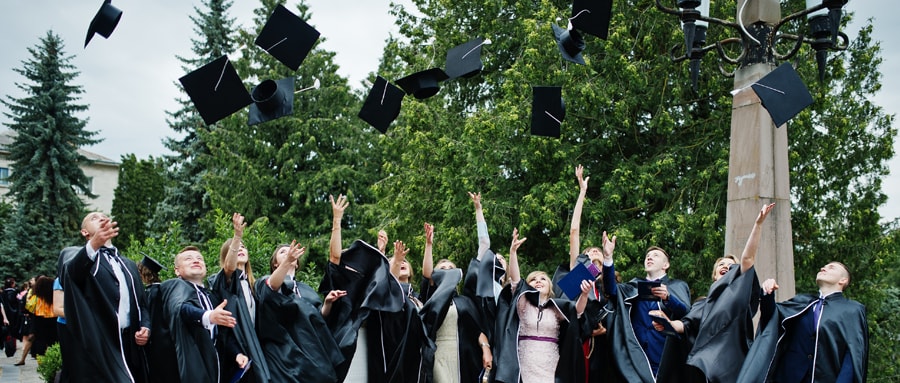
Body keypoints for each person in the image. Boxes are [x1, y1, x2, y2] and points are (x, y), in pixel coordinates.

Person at [651, 203, 774, 383]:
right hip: (703, 368)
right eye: (721, 265)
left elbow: (748, 258)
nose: (726, 266)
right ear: (715, 276)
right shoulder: (702, 303)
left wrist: (758, 224)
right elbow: (685, 326)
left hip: (734, 366)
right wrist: (667, 323)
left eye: (731, 266)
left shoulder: (741, 293)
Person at [320, 193, 409, 382]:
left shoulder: (368, 284)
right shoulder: (341, 281)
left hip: (371, 340)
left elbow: (381, 279)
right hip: (344, 339)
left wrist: (383, 254)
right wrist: (337, 220)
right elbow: (335, 257)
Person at [736, 261, 869, 383]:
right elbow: (772, 318)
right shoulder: (802, 302)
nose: (823, 268)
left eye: (831, 267)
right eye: (823, 266)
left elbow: (853, 355)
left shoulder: (852, 309)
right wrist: (767, 293)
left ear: (843, 280)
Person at [491, 228, 589, 383]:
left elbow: (576, 312)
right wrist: (513, 252)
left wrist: (584, 295)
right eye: (533, 279)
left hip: (550, 362)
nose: (538, 281)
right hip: (525, 361)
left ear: (550, 287)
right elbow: (516, 281)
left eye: (543, 279)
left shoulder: (557, 307)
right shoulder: (523, 304)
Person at [549, 165, 614, 383]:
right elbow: (574, 231)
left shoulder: (609, 285)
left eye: (598, 249)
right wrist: (582, 192)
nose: (594, 251)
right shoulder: (579, 274)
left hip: (606, 348)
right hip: (579, 341)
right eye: (590, 251)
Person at [601, 232, 691, 382]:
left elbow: (686, 314)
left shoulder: (677, 286)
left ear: (666, 265)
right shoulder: (634, 285)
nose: (649, 257)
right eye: (647, 256)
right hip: (636, 354)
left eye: (655, 255)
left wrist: (668, 298)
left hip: (665, 353)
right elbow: (611, 290)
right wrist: (608, 258)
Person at [254, 240, 345, 382]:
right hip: (284, 356)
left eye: (289, 252)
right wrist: (286, 262)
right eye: (282, 252)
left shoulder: (306, 289)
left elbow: (317, 318)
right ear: (275, 264)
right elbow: (271, 288)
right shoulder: (266, 281)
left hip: (311, 354)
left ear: (297, 263)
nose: (288, 253)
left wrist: (327, 303)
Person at [161, 245, 248, 382]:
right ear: (177, 270)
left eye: (199, 259)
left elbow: (223, 334)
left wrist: (236, 354)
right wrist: (208, 316)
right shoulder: (175, 286)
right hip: (191, 363)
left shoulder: (212, 296)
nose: (196, 261)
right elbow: (182, 309)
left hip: (214, 365)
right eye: (188, 259)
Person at [419, 222, 492, 383]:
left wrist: (486, 349)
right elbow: (427, 273)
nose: (447, 270)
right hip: (438, 352)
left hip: (463, 354)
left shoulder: (464, 301)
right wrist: (429, 244)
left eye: (450, 268)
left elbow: (477, 330)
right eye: (442, 268)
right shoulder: (431, 298)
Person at [208, 213, 270, 383]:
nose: (240, 249)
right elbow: (229, 267)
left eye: (243, 246)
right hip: (235, 351)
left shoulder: (253, 286)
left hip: (255, 348)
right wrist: (237, 236)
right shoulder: (225, 282)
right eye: (236, 248)